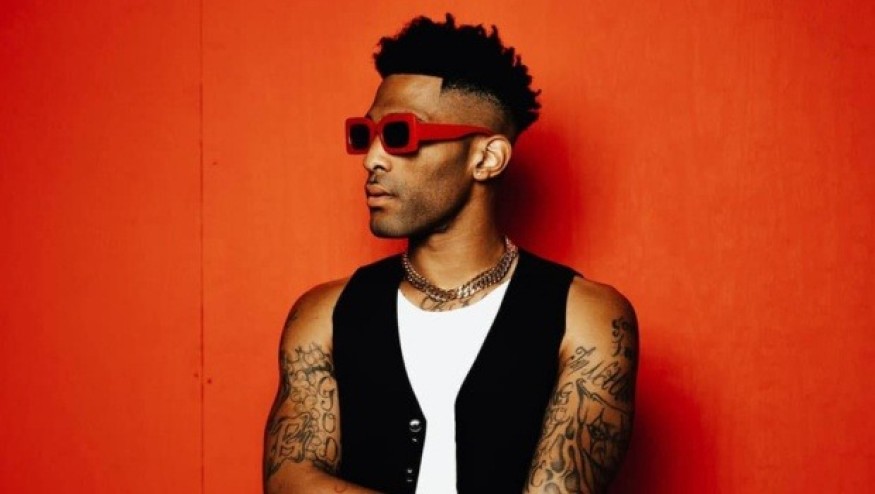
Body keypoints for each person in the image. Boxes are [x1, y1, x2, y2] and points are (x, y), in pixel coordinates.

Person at [263, 13, 638, 494]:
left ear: (486, 158)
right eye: (365, 135)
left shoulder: (586, 317)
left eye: (399, 135)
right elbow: (289, 479)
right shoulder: (324, 313)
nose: (373, 159)